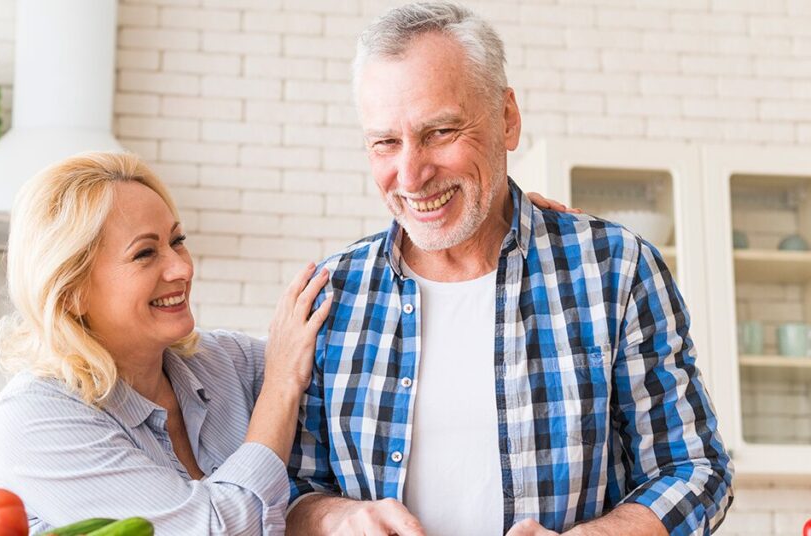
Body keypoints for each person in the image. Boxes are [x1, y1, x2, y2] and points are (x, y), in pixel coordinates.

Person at [285, 3, 733, 536]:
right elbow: (290, 489)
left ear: (507, 119)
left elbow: (695, 470)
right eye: (385, 142)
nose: (411, 174)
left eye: (440, 131)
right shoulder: (330, 296)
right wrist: (338, 519)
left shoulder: (615, 269)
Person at [0, 151, 331, 535]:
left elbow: (330, 366)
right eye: (145, 253)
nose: (182, 268)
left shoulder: (226, 362)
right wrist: (281, 386)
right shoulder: (34, 417)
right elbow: (213, 530)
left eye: (177, 241)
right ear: (71, 292)